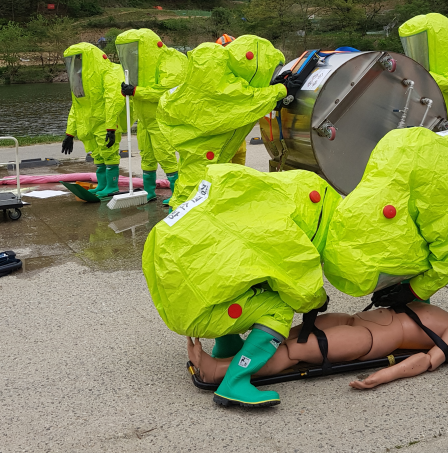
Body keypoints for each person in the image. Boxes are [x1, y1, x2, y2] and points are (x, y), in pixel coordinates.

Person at [320, 126, 448, 386]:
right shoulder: (370, 205)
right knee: (409, 252)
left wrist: (413, 289)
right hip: (435, 170)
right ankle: (417, 321)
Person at [143, 164, 341, 407]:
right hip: (196, 305)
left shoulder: (253, 201)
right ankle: (234, 382)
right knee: (278, 308)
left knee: (240, 278)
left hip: (178, 292)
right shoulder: (280, 227)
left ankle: (226, 344)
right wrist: (319, 300)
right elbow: (301, 289)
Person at [187, 297, 448, 390]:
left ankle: (218, 371)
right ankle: (239, 356)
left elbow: (425, 361)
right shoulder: (433, 302)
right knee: (288, 334)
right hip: (353, 319)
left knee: (297, 351)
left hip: (369, 339)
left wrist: (382, 376)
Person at [157, 35, 295, 208]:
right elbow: (243, 100)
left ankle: (180, 224)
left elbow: (245, 95)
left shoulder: (222, 74)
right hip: (205, 152)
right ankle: (177, 228)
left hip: (206, 148)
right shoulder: (216, 78)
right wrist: (280, 90)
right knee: (194, 195)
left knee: (198, 192)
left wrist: (273, 87)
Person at [113, 29, 187, 204]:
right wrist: (129, 92)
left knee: (166, 156)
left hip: (161, 119)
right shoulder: (140, 68)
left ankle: (179, 194)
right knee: (147, 156)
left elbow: (166, 90)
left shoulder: (170, 61)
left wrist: (137, 91)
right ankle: (148, 192)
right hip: (144, 120)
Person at [60, 43, 127, 198]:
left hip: (104, 122)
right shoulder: (80, 81)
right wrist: (70, 133)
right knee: (97, 155)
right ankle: (103, 185)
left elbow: (114, 100)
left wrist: (111, 128)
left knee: (108, 153)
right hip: (89, 124)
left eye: (78, 59)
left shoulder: (109, 73)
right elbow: (76, 106)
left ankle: (111, 186)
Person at [214, 32, 248, 166]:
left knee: (239, 171)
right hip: (223, 134)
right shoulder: (215, 74)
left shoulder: (241, 73)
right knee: (225, 170)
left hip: (238, 134)